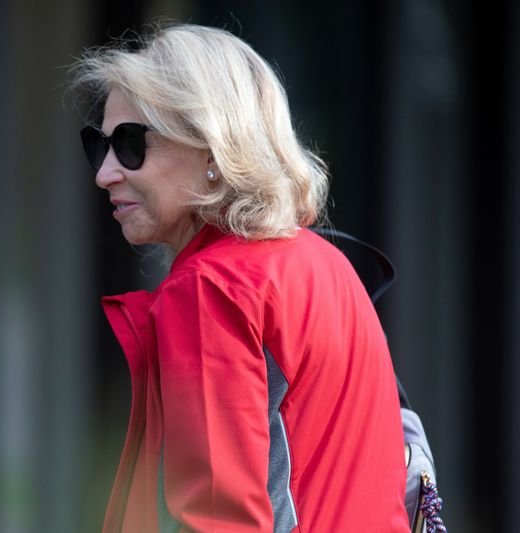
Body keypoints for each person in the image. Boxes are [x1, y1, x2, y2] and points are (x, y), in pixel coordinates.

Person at [72, 23, 410, 532]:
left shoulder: (210, 288)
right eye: (99, 145)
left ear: (212, 149)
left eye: (131, 143)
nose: (105, 173)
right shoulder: (326, 264)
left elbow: (221, 521)